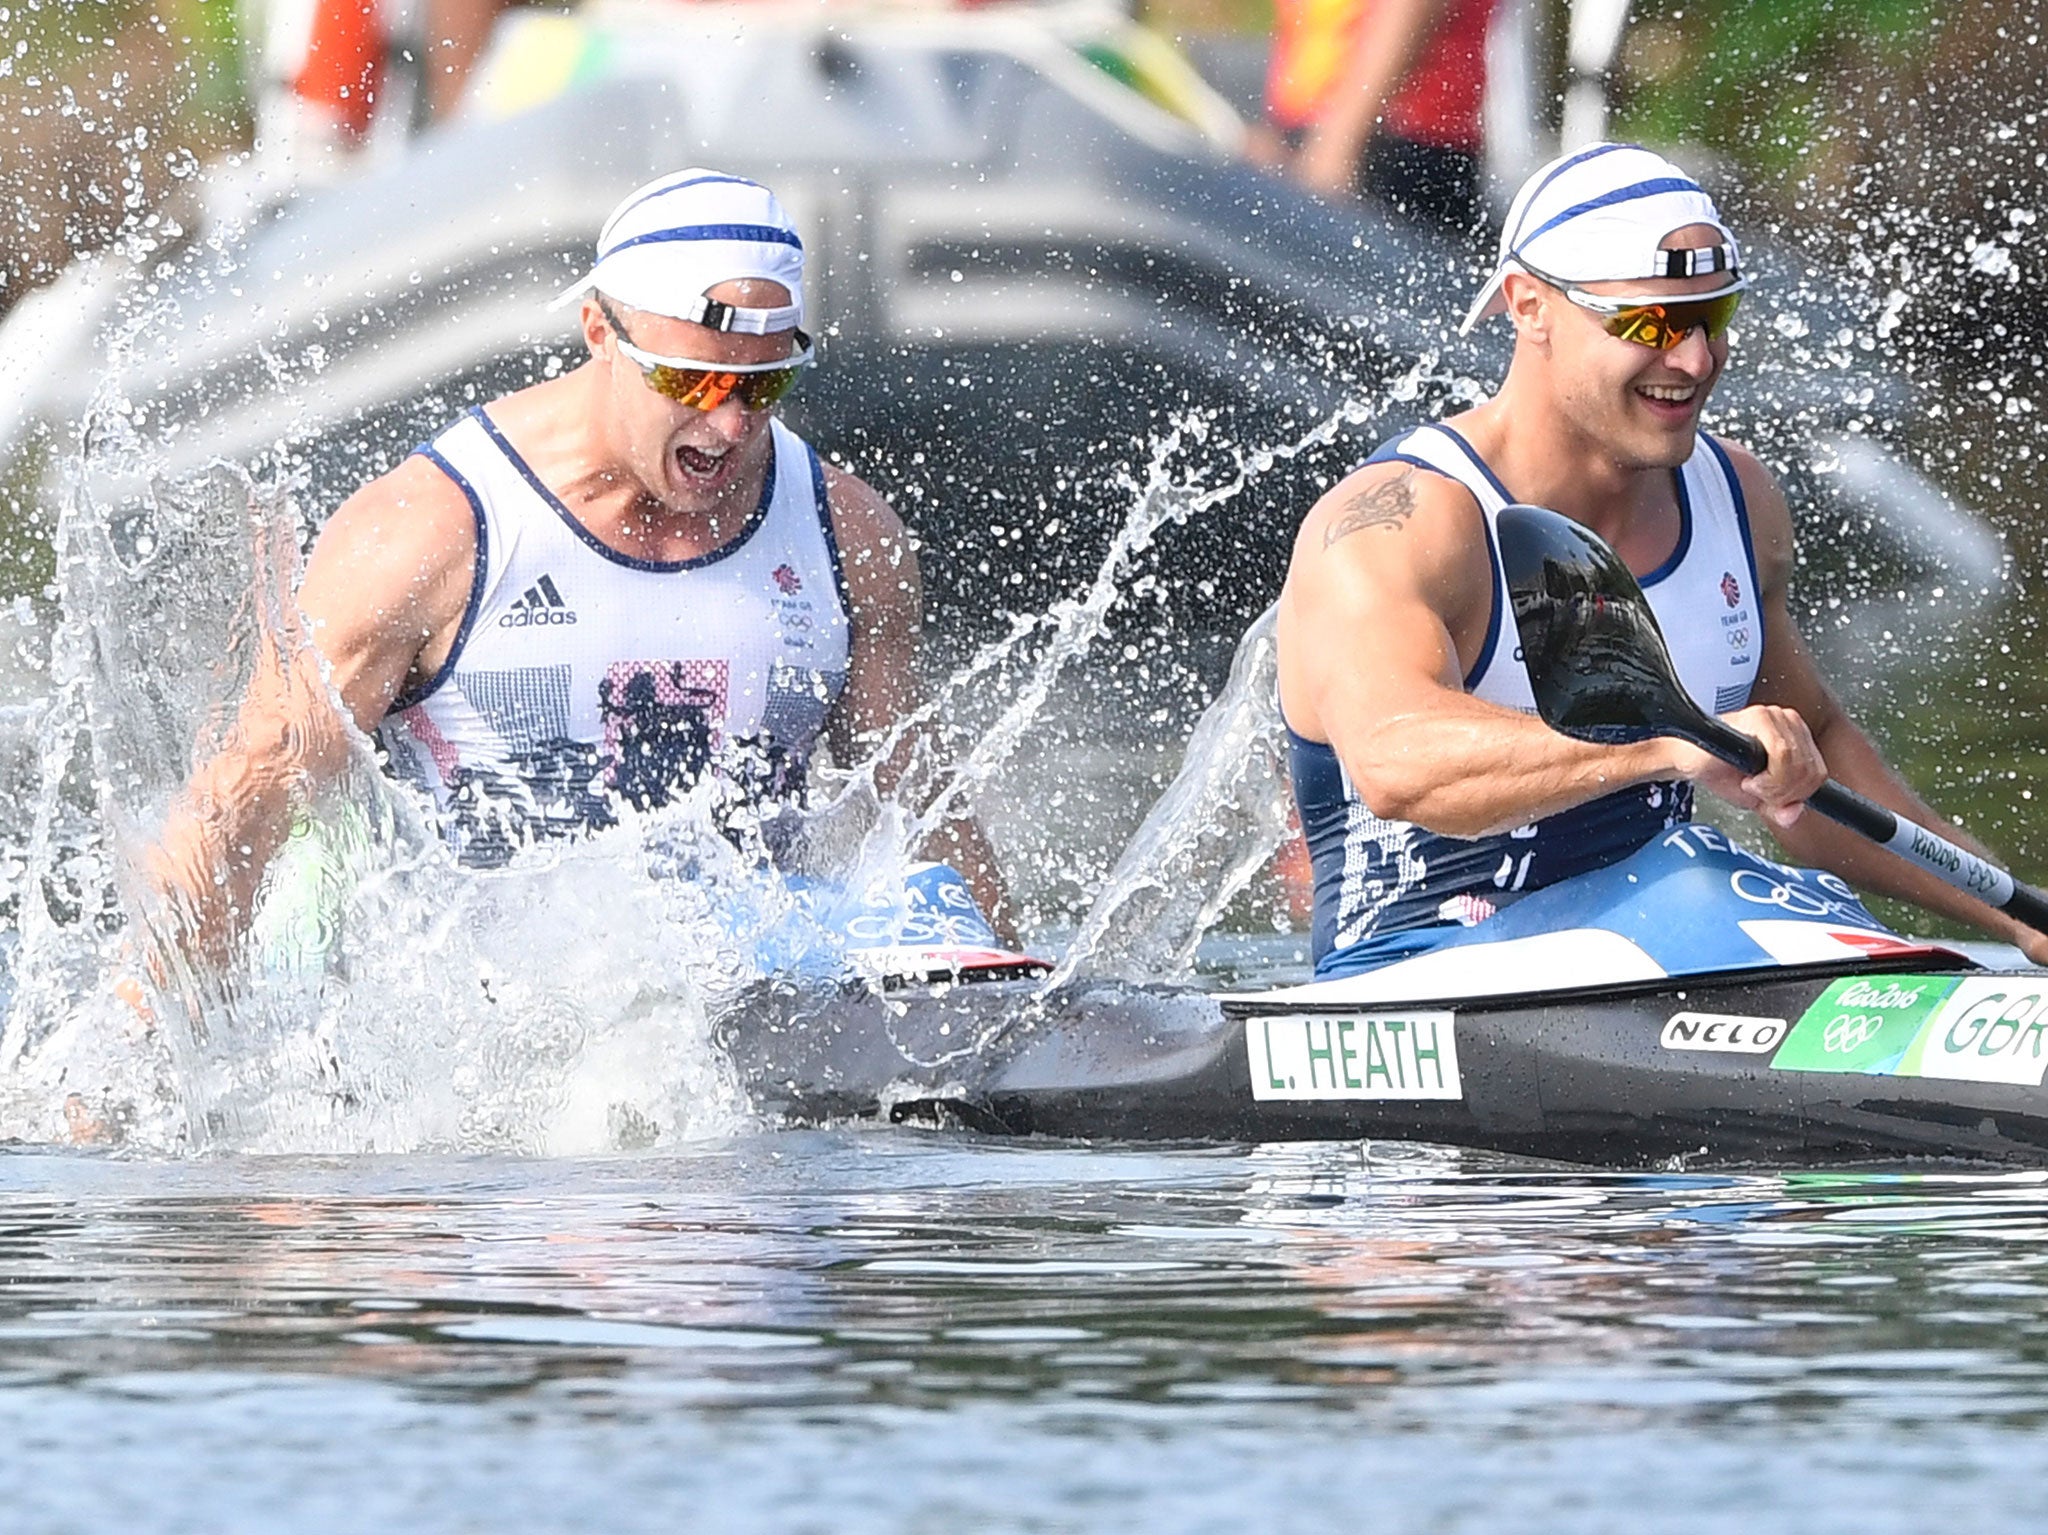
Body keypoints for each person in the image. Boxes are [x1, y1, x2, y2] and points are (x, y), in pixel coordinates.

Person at [143, 167, 1010, 965]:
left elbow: (921, 802)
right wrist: (137, 1049)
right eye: (694, 383)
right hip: (484, 1020)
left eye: (764, 386)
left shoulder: (847, 534)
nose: (733, 426)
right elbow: (245, 801)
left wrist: (1019, 999)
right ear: (599, 331)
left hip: (754, 981)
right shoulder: (425, 535)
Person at [1275, 142, 2048, 978]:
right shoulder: (1402, 521)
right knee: (1708, 889)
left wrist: (2015, 916)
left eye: (1713, 318)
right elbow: (1397, 761)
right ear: (1529, 306)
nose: (1694, 360)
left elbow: (1810, 757)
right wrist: (1667, 748)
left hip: (1662, 941)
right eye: (1650, 324)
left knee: (1746, 894)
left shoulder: (1737, 498)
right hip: (1419, 969)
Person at [1254, 0, 1500, 234]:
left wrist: (1336, 148)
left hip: (1388, 145)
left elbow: (1410, 8)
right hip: (1338, 137)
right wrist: (1280, 134)